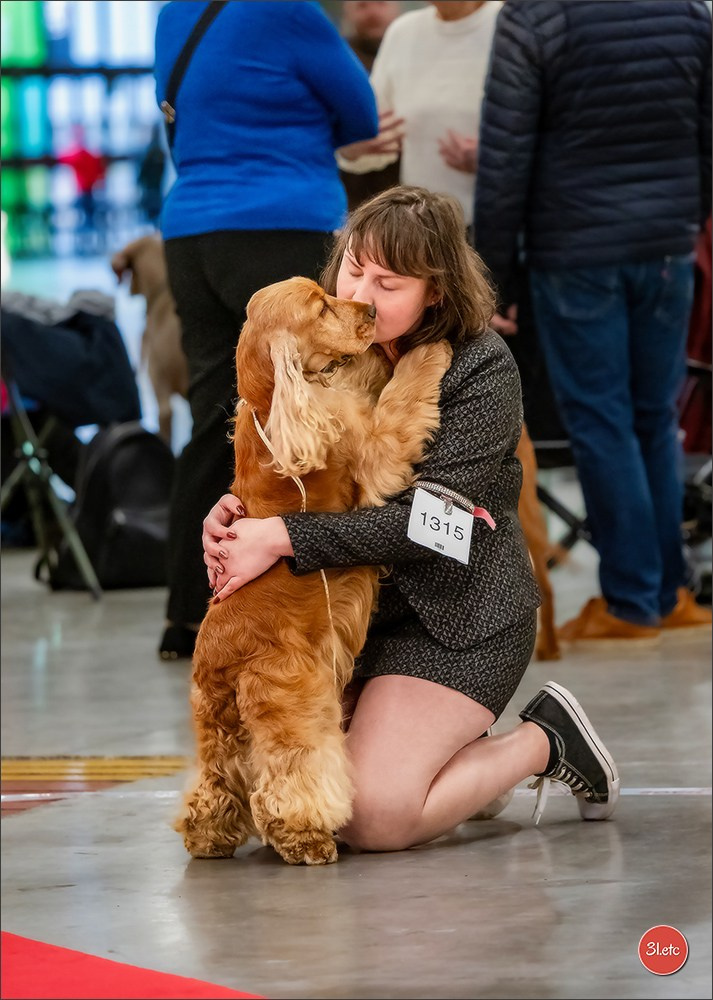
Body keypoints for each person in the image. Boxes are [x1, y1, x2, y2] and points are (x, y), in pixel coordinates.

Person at [200, 186, 619, 852]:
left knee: (374, 818)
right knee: (276, 784)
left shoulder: (483, 368)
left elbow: (432, 527)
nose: (361, 295)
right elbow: (287, 471)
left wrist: (277, 537)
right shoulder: (329, 343)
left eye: (388, 283)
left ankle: (544, 740)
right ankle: (455, 760)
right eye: (352, 270)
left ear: (437, 292)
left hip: (455, 621)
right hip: (344, 622)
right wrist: (233, 517)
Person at [473, 0, 712, 642]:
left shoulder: (535, 16)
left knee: (602, 421)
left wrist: (491, 278)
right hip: (667, 247)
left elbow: (504, 155)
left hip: (575, 250)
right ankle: (669, 592)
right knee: (654, 418)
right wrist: (683, 219)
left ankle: (632, 602)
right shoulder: (689, 11)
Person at [153, 0, 378, 659]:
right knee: (304, 411)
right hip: (279, 222)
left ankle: (188, 613)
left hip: (190, 234)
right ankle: (308, 597)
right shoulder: (288, 10)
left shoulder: (173, 14)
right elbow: (361, 114)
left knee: (216, 415)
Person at [337, 1, 502, 229]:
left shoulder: (511, 25)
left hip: (501, 226)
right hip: (424, 230)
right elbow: (370, 140)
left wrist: (495, 158)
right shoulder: (403, 32)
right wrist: (352, 149)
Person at [338, 0, 402, 212]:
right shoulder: (337, 61)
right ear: (347, 12)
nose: (373, 13)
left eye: (381, 3)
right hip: (353, 198)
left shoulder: (416, 55)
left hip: (410, 195)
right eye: (362, 5)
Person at [137, 123, 166, 228]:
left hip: (151, 188)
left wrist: (139, 180)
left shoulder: (150, 152)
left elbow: (144, 170)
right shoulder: (160, 152)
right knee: (155, 215)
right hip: (157, 188)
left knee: (150, 215)